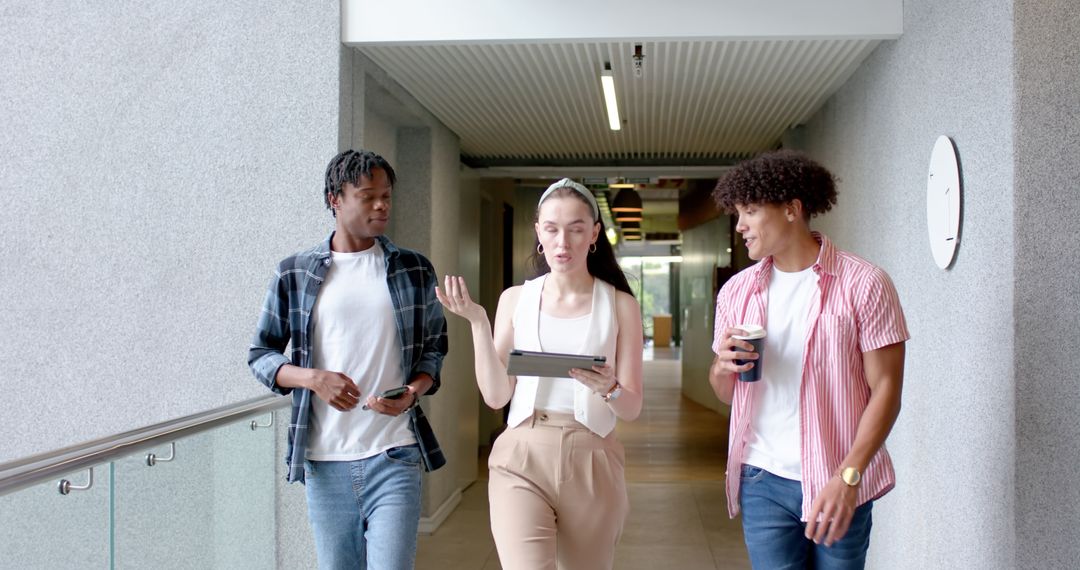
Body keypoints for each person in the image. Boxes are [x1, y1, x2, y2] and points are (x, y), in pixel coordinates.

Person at [247, 149, 448, 570]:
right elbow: (261, 355)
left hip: (394, 453)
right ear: (334, 199)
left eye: (387, 196)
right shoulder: (294, 273)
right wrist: (312, 378)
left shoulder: (413, 270)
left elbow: (434, 349)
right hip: (325, 461)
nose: (381, 206)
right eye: (368, 196)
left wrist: (412, 392)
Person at [708, 150, 908, 569]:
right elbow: (727, 395)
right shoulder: (737, 292)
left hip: (839, 477)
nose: (740, 225)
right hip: (761, 478)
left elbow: (886, 389)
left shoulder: (864, 283)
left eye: (750, 211)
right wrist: (723, 367)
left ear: (792, 210)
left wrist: (848, 477)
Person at [436, 178, 643, 570]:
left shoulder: (620, 305)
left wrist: (611, 387)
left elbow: (631, 407)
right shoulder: (515, 299)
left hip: (592, 456)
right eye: (551, 229)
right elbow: (497, 397)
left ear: (595, 233)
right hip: (521, 452)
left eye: (576, 229)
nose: (562, 242)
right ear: (538, 233)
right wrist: (479, 323)